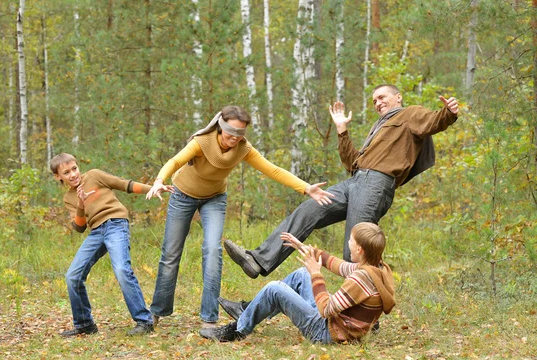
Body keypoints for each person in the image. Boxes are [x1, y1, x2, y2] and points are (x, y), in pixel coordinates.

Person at [224, 85, 459, 278]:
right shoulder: (378, 127)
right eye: (374, 100)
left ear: (398, 97)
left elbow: (434, 122)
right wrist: (342, 130)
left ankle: (362, 313)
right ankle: (258, 260)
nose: (377, 103)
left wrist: (448, 112)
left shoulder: (410, 114)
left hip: (376, 184)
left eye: (382, 97)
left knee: (355, 248)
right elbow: (351, 163)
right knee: (309, 210)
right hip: (355, 181)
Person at [145, 105, 335, 332]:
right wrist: (159, 180)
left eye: (240, 134)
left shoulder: (243, 148)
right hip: (182, 195)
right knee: (171, 254)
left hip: (214, 198)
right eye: (230, 133)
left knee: (213, 250)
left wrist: (306, 188)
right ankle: (157, 311)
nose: (234, 139)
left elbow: (272, 170)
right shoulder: (202, 142)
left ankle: (209, 318)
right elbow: (175, 161)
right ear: (220, 127)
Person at [200, 222, 395, 343]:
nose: (348, 243)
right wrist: (302, 247)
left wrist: (316, 274)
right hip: (336, 325)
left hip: (326, 332)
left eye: (350, 240)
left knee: (274, 288)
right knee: (301, 273)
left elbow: (326, 310)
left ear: (359, 249)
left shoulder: (360, 279)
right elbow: (339, 266)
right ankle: (250, 310)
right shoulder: (377, 269)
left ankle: (237, 330)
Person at [50, 153, 173, 337]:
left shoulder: (94, 176)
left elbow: (125, 184)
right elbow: (79, 227)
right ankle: (85, 324)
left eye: (74, 169)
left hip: (115, 223)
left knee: (122, 270)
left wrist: (154, 188)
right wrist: (81, 205)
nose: (73, 174)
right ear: (58, 177)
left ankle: (144, 321)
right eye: (66, 172)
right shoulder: (69, 197)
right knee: (72, 276)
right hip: (96, 232)